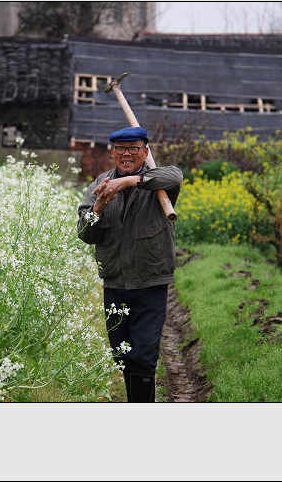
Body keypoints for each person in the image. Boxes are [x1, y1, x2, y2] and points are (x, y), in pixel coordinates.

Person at [77, 126, 183, 402]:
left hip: (150, 281)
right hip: (115, 282)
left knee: (144, 355)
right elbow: (85, 234)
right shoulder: (98, 185)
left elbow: (175, 175)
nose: (127, 154)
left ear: (145, 152)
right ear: (112, 152)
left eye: (134, 148)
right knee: (122, 355)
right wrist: (98, 207)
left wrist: (126, 182)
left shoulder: (159, 183)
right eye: (121, 149)